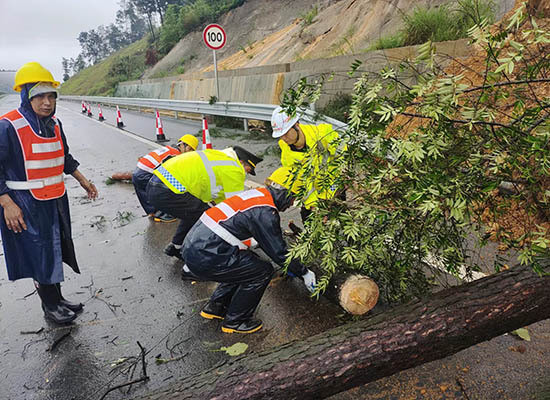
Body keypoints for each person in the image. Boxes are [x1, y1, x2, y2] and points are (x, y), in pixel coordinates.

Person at [0, 62, 98, 325]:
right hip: (24, 202)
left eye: (51, 96)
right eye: (40, 96)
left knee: (55, 247)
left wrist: (83, 180)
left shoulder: (54, 124)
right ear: (26, 95)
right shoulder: (8, 126)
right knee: (38, 252)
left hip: (54, 199)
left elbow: (64, 157)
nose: (47, 102)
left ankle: (58, 298)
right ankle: (50, 307)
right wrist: (6, 202)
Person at [182, 167, 316, 334]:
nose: (290, 205)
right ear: (285, 192)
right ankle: (236, 321)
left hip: (195, 247)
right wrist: (303, 272)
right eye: (293, 198)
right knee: (262, 271)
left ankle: (216, 306)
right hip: (207, 253)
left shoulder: (257, 195)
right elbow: (279, 253)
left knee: (243, 265)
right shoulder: (265, 211)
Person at [146, 145, 262, 263]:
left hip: (155, 185)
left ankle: (176, 246)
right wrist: (251, 234)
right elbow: (236, 207)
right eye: (248, 170)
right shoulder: (234, 168)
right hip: (169, 188)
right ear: (241, 162)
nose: (246, 173)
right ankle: (204, 255)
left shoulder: (219, 157)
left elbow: (222, 202)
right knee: (207, 219)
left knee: (193, 212)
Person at [271, 106, 343, 222]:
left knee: (341, 218)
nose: (283, 138)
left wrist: (328, 198)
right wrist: (313, 205)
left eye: (286, 133)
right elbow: (301, 183)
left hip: (334, 184)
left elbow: (344, 157)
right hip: (313, 193)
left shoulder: (321, 133)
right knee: (308, 219)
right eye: (280, 135)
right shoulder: (286, 151)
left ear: (297, 124)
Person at [132, 134, 198, 223]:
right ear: (183, 146)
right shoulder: (176, 156)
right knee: (166, 189)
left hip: (138, 171)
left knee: (143, 191)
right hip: (147, 174)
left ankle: (152, 212)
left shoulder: (168, 149)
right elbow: (170, 176)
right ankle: (164, 214)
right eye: (190, 150)